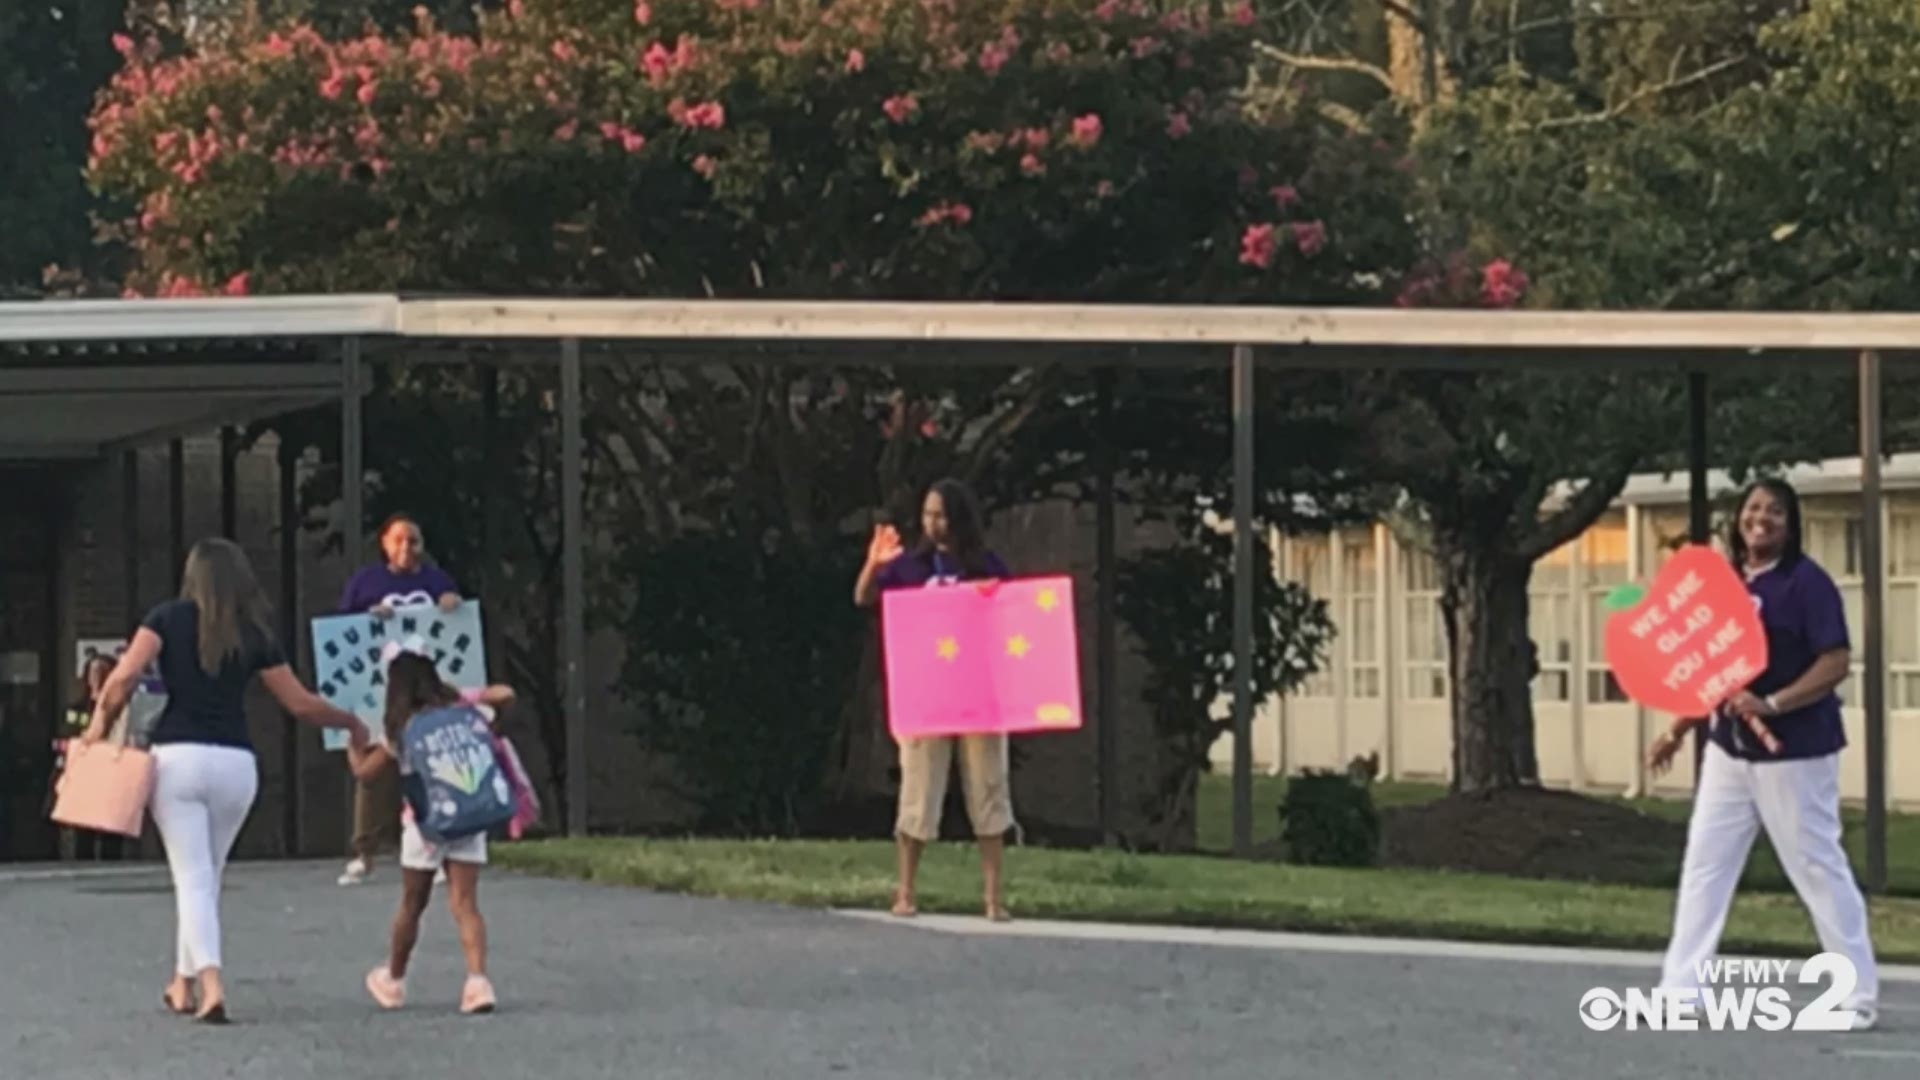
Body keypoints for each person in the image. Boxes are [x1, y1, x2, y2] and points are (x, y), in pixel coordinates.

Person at [83, 538, 365, 1024]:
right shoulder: (254, 633)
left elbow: (122, 680)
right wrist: (352, 721)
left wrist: (94, 731)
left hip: (177, 759)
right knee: (204, 877)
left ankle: (212, 985)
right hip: (237, 764)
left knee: (191, 877)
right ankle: (182, 982)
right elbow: (299, 703)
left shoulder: (165, 619)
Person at [1647, 477, 1879, 1030]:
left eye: (1775, 511)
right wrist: (1679, 730)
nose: (1762, 519)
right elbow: (1711, 665)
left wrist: (1773, 703)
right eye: (1753, 509)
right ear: (1738, 519)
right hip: (1730, 753)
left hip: (1796, 752)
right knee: (1706, 864)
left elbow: (1835, 661)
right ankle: (1682, 989)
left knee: (1817, 866)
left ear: (1791, 524)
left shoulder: (1806, 583)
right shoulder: (1724, 582)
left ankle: (1856, 993)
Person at [854, 478, 1017, 923]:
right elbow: (864, 597)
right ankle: (905, 891)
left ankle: (993, 897)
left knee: (988, 789)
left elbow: (1013, 619)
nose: (933, 522)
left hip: (981, 696)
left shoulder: (987, 565)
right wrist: (873, 565)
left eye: (941, 514)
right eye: (927, 514)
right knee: (918, 790)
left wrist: (991, 599)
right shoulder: (911, 566)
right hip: (926, 695)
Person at [345, 651, 514, 1015]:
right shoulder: (464, 716)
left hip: (425, 826)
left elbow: (366, 774)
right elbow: (505, 697)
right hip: (469, 815)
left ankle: (394, 979)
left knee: (412, 904)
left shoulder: (403, 729)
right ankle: (477, 981)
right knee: (466, 904)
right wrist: (472, 696)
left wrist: (353, 745)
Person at [337, 512, 462, 887]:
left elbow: (457, 626)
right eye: (399, 541)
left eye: (414, 541)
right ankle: (364, 852)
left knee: (432, 771)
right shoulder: (366, 583)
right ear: (384, 544)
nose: (406, 549)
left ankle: (438, 851)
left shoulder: (436, 580)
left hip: (426, 694)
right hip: (384, 695)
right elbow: (343, 631)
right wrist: (366, 615)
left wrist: (452, 601)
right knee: (372, 777)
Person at [60, 654, 125, 861]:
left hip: (112, 769)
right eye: (92, 673)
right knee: (84, 823)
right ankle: (83, 859)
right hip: (86, 770)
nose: (95, 678)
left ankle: (111, 858)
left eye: (101, 672)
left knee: (111, 823)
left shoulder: (120, 706)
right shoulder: (78, 707)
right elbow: (69, 732)